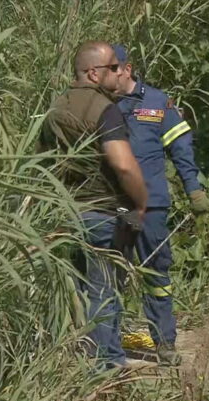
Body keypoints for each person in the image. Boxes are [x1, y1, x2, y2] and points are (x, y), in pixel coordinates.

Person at [38, 40, 148, 369]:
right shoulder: (104, 108)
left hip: (63, 212)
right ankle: (107, 368)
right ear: (93, 73)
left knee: (78, 291)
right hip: (101, 213)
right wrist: (142, 202)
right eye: (113, 67)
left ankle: (79, 363)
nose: (120, 72)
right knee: (105, 290)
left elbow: (41, 162)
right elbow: (124, 165)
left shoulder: (55, 107)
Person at [112, 44, 209, 366]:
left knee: (156, 274)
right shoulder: (99, 103)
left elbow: (181, 149)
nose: (105, 74)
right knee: (111, 274)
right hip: (112, 205)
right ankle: (107, 346)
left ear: (127, 69)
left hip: (150, 206)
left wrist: (193, 190)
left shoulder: (157, 102)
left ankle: (164, 343)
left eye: (112, 68)